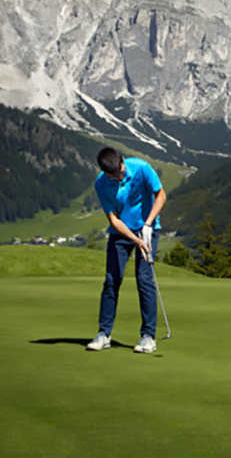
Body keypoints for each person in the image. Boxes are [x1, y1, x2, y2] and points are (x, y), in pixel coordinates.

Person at [85, 147, 167, 353]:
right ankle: (104, 334)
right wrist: (134, 240)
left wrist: (148, 225)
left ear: (122, 161)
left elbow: (161, 196)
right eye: (115, 176)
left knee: (144, 279)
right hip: (121, 233)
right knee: (112, 280)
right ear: (106, 173)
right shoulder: (101, 184)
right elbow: (113, 219)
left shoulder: (141, 167)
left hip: (148, 230)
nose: (120, 177)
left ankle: (148, 336)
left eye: (121, 172)